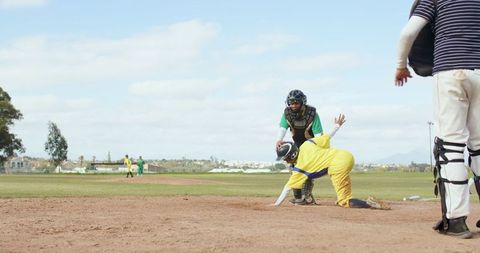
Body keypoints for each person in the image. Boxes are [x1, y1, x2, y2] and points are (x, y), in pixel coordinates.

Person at [394, 0, 480, 239]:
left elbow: (408, 33)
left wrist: (401, 66)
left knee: (451, 146)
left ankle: (456, 221)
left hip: (451, 72)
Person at [274, 115, 387, 209]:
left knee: (344, 201)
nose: (286, 161)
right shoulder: (307, 144)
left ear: (293, 155)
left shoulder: (299, 168)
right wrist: (337, 125)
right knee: (343, 190)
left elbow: (287, 188)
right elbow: (328, 136)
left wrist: (276, 204)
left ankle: (370, 204)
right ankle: (345, 198)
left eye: (286, 158)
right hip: (345, 155)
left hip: (337, 165)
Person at [276, 89, 324, 204]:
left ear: (302, 102)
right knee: (293, 168)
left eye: (296, 103)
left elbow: (318, 135)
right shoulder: (287, 113)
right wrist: (279, 140)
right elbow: (283, 127)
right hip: (297, 144)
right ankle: (298, 197)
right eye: (291, 103)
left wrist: (318, 149)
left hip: (312, 144)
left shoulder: (312, 114)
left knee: (307, 170)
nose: (293, 105)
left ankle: (306, 197)